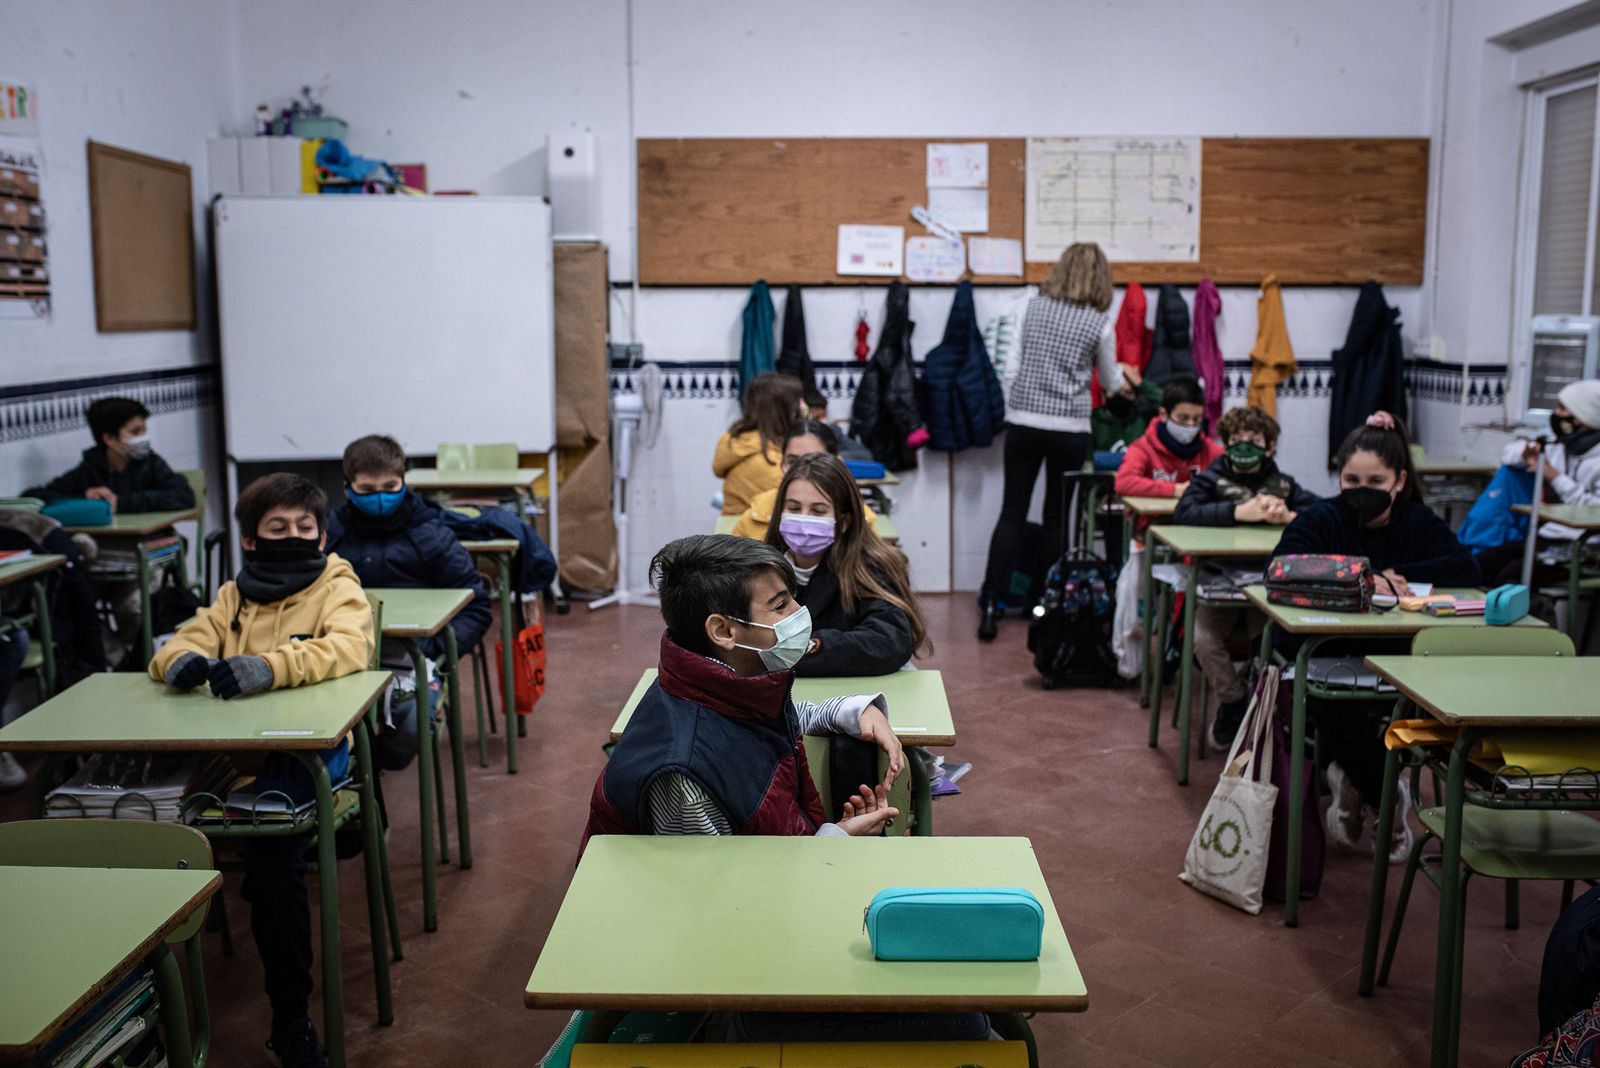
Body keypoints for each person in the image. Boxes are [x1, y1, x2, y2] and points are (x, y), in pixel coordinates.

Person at [148, 473, 373, 1068]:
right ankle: (139, 1002)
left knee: (275, 861)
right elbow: (177, 642)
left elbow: (349, 647)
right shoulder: (234, 595)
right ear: (251, 540)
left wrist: (270, 667)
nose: (294, 536)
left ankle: (291, 1020)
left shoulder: (337, 582)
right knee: (141, 818)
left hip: (306, 752)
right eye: (278, 528)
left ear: (323, 535)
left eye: (305, 527)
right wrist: (180, 662)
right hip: (231, 755)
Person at [583, 534, 903, 849]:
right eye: (779, 606)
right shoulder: (684, 775)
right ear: (723, 631)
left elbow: (776, 722)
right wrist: (836, 841)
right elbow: (714, 886)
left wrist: (858, 710)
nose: (799, 610)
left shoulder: (718, 683)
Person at [1272, 412, 1480, 863]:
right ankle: (1388, 796)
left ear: (1399, 481)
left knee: (1399, 702)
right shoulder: (1323, 517)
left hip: (1397, 653)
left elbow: (1465, 570)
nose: (1360, 490)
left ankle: (1357, 783)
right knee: (1329, 699)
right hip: (1328, 650)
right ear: (1338, 477)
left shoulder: (1417, 521)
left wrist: (1399, 577)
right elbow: (1283, 567)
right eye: (1350, 479)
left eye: (1375, 479)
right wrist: (1361, 577)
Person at [979, 242, 1140, 641]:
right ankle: (1046, 606)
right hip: (1070, 428)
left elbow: (1011, 365)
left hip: (1024, 422)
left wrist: (1017, 405)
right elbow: (1110, 380)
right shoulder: (1098, 322)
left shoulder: (1031, 307)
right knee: (1057, 517)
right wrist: (1125, 382)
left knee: (1011, 513)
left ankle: (989, 607)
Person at [324, 434, 491, 770]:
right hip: (340, 651)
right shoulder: (329, 532)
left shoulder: (429, 532)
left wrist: (435, 649)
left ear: (404, 482)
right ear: (347, 489)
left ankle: (375, 765)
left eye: (390, 486)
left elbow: (476, 604)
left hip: (413, 655)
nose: (381, 497)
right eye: (368, 490)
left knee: (408, 728)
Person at [1175, 405, 1321, 745]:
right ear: (1225, 443)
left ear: (1269, 446)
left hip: (1267, 589)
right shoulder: (1211, 478)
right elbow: (1185, 511)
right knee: (1201, 638)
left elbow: (1324, 512)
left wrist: (1289, 515)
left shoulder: (1282, 484)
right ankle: (1234, 701)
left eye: (1253, 440)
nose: (1244, 446)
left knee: (1269, 644)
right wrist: (1238, 511)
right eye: (1237, 440)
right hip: (1217, 584)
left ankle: (1260, 705)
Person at [26, 396, 196, 667]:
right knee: (68, 604)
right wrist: (84, 495)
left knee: (133, 607)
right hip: (99, 565)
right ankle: (121, 663)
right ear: (109, 439)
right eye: (135, 432)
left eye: (143, 430)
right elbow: (34, 497)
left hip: (146, 555)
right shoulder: (90, 468)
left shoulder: (151, 464)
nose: (144, 438)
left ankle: (138, 662)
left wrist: (123, 503)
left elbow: (183, 496)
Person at [763, 454, 928, 676]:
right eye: (793, 508)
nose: (804, 519)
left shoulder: (870, 569)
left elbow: (887, 640)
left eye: (818, 511)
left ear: (844, 521)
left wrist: (794, 649)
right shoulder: (760, 569)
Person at [1475, 380, 1600, 586]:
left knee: (1512, 575)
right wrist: (1526, 454)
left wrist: (1555, 477)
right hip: (1547, 538)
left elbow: (1594, 511)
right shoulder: (1561, 445)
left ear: (1584, 417)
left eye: (1563, 409)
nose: (1556, 415)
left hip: (1584, 548)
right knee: (1480, 564)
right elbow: (1509, 454)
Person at [729, 420, 878, 542]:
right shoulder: (757, 512)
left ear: (837, 464)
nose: (802, 469)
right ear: (782, 464)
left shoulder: (859, 518)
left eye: (814, 459)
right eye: (793, 461)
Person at [1113, 375, 1224, 534]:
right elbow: (1124, 482)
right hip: (1152, 529)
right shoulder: (1143, 447)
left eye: (1197, 419)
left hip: (1199, 527)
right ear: (1164, 414)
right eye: (1183, 418)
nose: (1191, 425)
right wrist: (1174, 490)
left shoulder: (1208, 448)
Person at [713, 372, 804, 516]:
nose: (803, 405)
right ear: (782, 409)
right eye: (798, 400)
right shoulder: (769, 464)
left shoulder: (742, 440)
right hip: (748, 536)